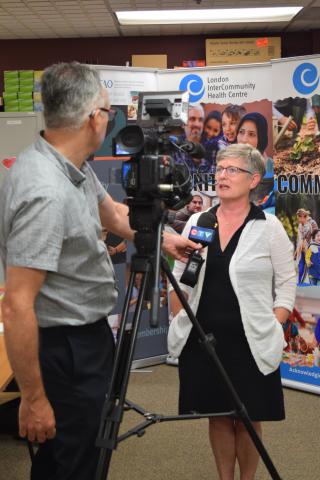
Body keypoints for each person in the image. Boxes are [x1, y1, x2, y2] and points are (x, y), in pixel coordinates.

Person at [0, 62, 200, 480]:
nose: (110, 119)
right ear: (94, 117)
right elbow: (17, 305)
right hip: (62, 349)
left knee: (80, 449)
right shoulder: (44, 192)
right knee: (73, 462)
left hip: (87, 339)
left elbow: (112, 216)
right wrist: (33, 399)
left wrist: (161, 238)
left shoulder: (70, 165)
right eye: (109, 111)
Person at [168, 143, 296, 480]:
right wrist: (176, 307)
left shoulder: (268, 227)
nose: (222, 176)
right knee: (219, 415)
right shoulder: (199, 220)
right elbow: (182, 273)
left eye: (232, 170)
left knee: (248, 417)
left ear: (254, 179)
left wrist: (275, 324)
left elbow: (286, 284)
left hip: (250, 339)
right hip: (205, 338)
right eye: (220, 169)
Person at [174, 104, 212, 175]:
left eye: (200, 120)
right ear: (182, 123)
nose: (197, 124)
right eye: (192, 119)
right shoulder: (174, 146)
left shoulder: (212, 146)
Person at [236, 111, 273, 177]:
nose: (244, 140)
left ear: (261, 139)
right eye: (241, 132)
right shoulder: (226, 164)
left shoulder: (271, 169)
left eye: (251, 134)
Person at [294, 208, 318, 285]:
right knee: (301, 267)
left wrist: (308, 241)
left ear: (303, 216)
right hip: (301, 249)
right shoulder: (300, 225)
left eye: (299, 217)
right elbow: (299, 238)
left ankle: (313, 286)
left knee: (312, 269)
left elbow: (316, 235)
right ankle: (299, 283)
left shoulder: (312, 223)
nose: (298, 220)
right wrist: (296, 251)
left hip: (311, 249)